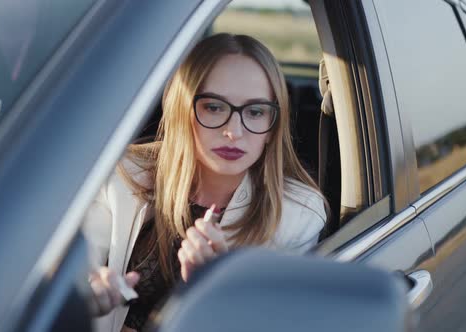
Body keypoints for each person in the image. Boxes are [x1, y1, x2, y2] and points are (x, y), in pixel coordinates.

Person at [82, 33, 328, 332]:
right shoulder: (123, 176)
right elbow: (71, 269)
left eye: (255, 112)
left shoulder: (297, 215)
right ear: (182, 109)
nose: (234, 131)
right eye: (214, 107)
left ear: (272, 126)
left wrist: (215, 292)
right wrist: (87, 289)